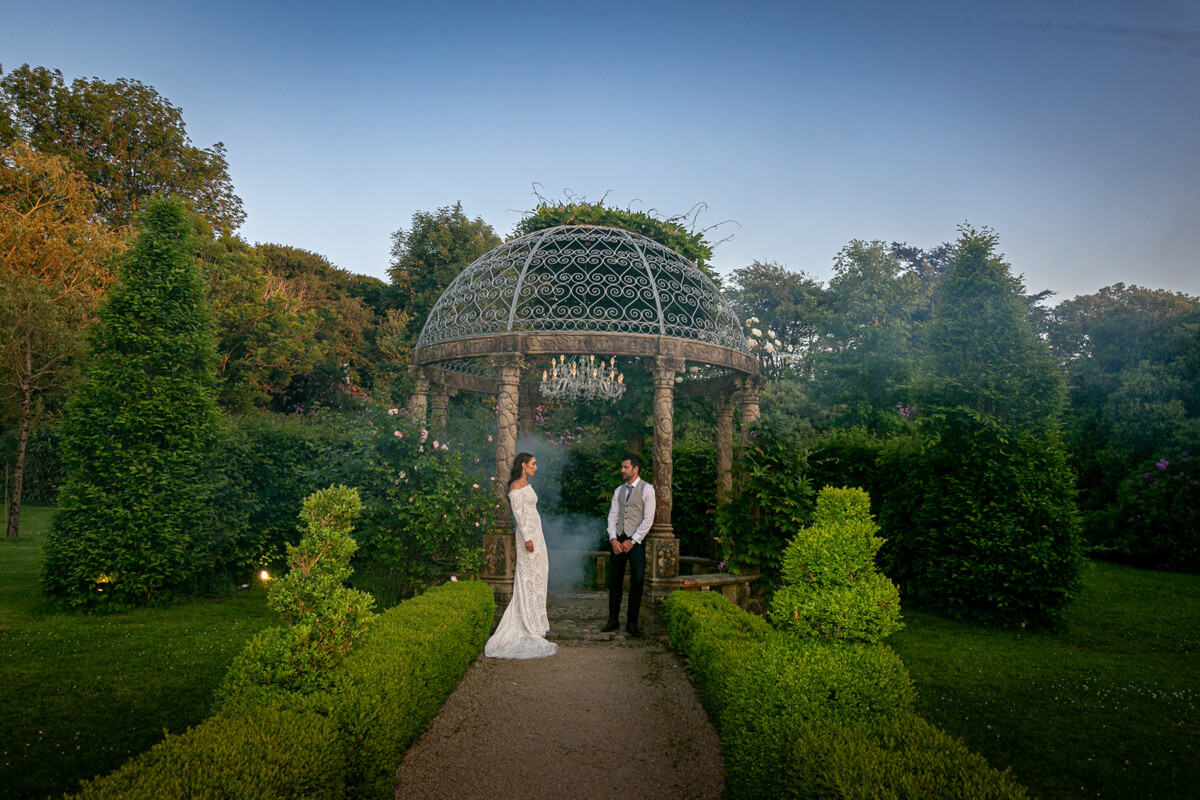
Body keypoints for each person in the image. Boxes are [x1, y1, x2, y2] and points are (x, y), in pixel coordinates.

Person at [484, 453, 558, 659]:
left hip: (537, 534)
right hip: (528, 536)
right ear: (523, 465)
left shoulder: (526, 484)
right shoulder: (515, 486)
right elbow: (518, 514)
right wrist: (527, 537)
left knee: (540, 575)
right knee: (528, 577)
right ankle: (527, 621)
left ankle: (537, 621)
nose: (536, 467)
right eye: (533, 464)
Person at [602, 454, 656, 637]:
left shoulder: (647, 489)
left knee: (637, 581)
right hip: (618, 540)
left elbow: (648, 519)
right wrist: (613, 539)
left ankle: (632, 622)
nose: (622, 470)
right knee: (614, 581)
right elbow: (613, 516)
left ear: (636, 468)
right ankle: (613, 619)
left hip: (636, 543)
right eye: (622, 467)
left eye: (625, 467)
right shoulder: (619, 491)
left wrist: (632, 541)